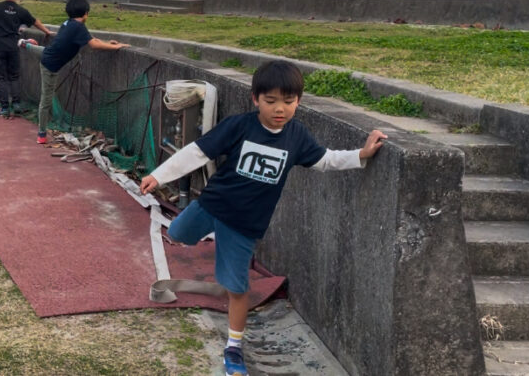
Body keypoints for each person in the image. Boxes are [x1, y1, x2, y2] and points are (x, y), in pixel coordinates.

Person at [139, 60, 387, 376]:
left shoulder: (297, 137)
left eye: (288, 101)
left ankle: (234, 348)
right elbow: (198, 152)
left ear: (299, 101)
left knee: (237, 288)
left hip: (244, 225)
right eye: (270, 101)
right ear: (255, 99)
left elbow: (324, 160)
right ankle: (213, 232)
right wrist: (159, 176)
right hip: (214, 204)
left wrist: (361, 155)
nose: (279, 109)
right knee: (178, 232)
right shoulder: (240, 125)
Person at [20, 0, 128, 144]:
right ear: (86, 14)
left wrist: (108, 43)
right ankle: (41, 133)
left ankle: (26, 45)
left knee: (45, 51)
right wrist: (116, 47)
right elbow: (94, 45)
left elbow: (92, 39)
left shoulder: (68, 24)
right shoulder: (78, 27)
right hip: (50, 67)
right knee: (46, 100)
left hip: (49, 53)